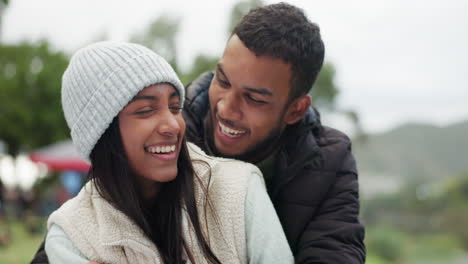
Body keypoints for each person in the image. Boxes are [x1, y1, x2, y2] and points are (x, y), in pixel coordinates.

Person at [41, 41, 293, 263]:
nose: (173, 125)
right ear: (101, 134)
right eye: (146, 110)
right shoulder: (71, 233)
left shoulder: (239, 189)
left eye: (174, 107)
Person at [182, 2, 365, 263]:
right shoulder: (168, 135)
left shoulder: (330, 162)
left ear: (295, 110)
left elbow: (336, 252)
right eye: (222, 81)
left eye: (254, 99)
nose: (226, 108)